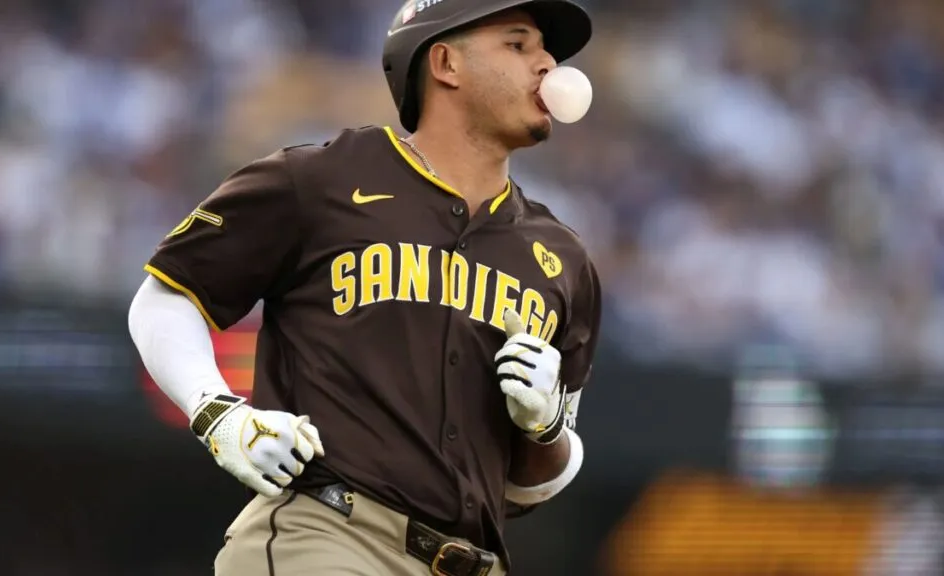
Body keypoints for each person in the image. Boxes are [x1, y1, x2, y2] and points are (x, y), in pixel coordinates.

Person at [127, 0, 600, 574]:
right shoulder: (321, 180)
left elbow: (529, 487)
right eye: (518, 44)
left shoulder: (564, 260)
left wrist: (545, 428)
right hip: (328, 536)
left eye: (547, 50)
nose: (548, 64)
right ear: (445, 63)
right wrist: (218, 413)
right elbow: (165, 296)